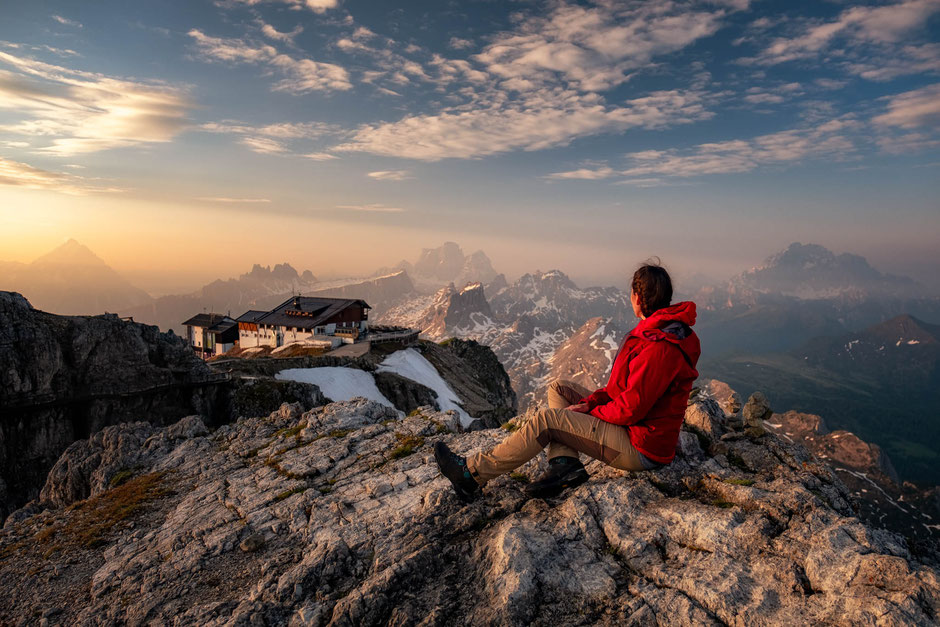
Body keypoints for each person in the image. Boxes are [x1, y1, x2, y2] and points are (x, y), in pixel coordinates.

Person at [433, 260, 701, 502]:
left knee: (546, 420)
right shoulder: (658, 332)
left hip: (641, 447)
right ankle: (565, 464)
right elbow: (618, 391)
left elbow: (631, 409)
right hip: (637, 431)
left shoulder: (661, 346)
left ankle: (470, 475)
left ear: (637, 297)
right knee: (559, 388)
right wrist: (587, 405)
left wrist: (590, 411)